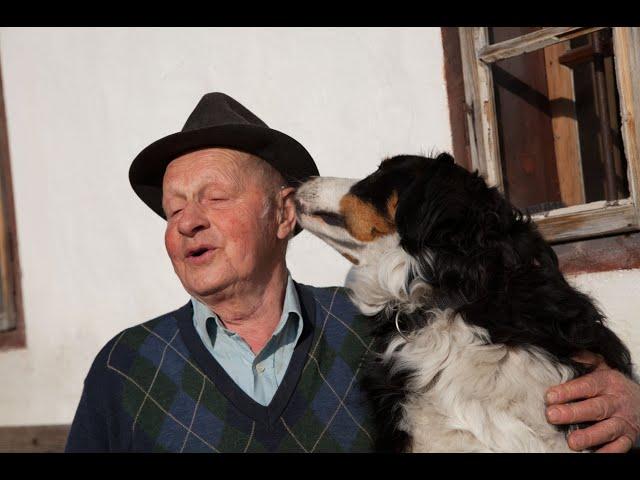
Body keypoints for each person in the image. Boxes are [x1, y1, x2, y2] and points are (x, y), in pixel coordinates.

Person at [65, 92, 640, 452]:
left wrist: (625, 398)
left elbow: (539, 358)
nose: (187, 223)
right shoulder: (126, 366)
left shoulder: (394, 332)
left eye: (214, 198)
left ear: (285, 214)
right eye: (173, 209)